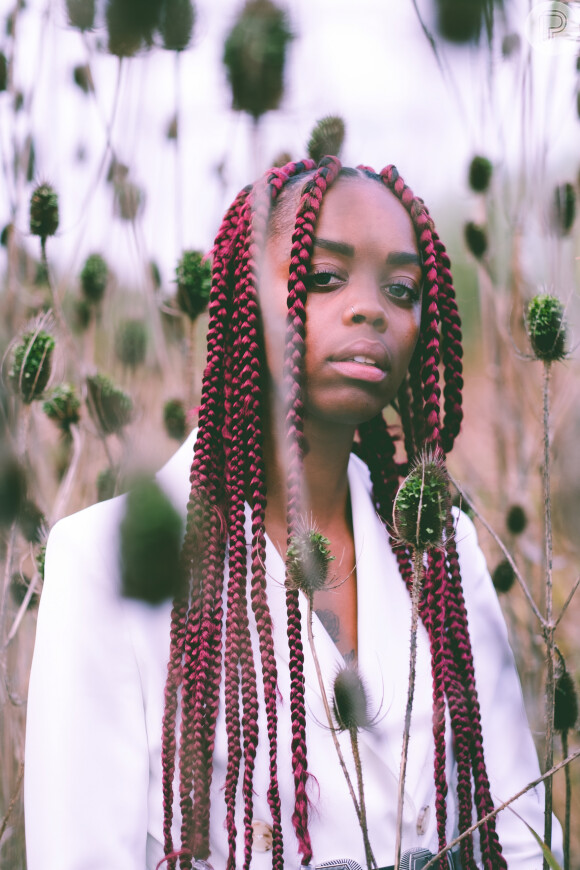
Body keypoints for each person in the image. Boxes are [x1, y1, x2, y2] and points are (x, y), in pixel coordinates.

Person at [25, 156, 563, 870]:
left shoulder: (445, 549)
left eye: (402, 288)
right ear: (244, 300)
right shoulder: (100, 559)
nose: (371, 308)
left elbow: (521, 835)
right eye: (324, 277)